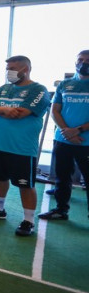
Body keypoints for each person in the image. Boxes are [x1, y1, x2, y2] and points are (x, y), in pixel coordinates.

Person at [0, 56, 51, 236]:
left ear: (25, 69)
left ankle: (28, 220)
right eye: (8, 68)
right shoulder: (4, 88)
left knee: (25, 184)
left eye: (13, 68)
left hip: (22, 148)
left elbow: (21, 113)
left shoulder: (38, 90)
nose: (9, 72)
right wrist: (4, 110)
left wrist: (1, 110)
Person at [39, 50, 89, 221]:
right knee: (62, 177)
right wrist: (67, 131)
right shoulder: (65, 84)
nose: (84, 63)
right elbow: (55, 110)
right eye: (80, 60)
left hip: (86, 142)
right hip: (63, 139)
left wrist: (78, 130)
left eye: (88, 60)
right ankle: (61, 210)